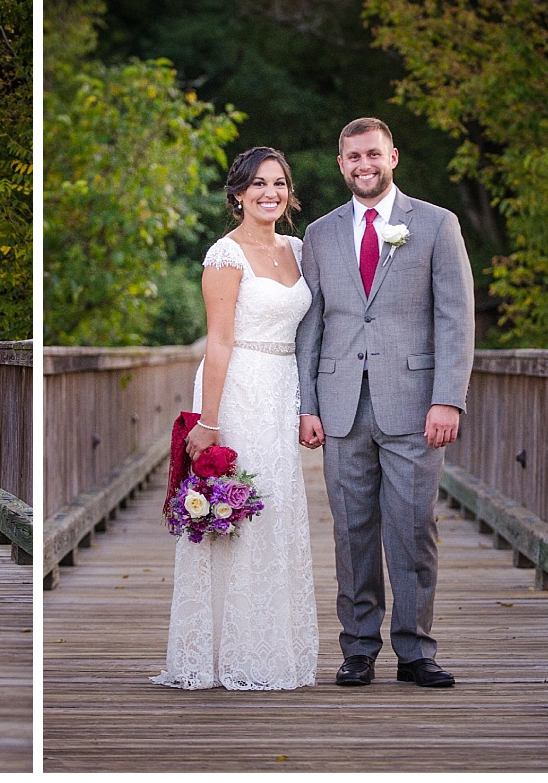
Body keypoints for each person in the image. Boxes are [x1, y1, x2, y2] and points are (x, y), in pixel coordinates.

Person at [295, 117, 475, 688]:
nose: (363, 165)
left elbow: (455, 318)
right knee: (351, 531)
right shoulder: (320, 234)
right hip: (341, 404)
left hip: (416, 406)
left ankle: (416, 650)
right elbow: (311, 324)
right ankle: (359, 648)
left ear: (392, 156)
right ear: (340, 163)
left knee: (413, 527)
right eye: (352, 157)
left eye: (372, 154)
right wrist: (308, 403)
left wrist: (448, 399)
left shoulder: (437, 224)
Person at [151, 147, 319, 691]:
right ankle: (224, 655)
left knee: (278, 512)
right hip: (239, 387)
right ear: (238, 194)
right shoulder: (224, 256)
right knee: (238, 513)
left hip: (283, 387)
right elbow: (219, 341)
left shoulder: (298, 249)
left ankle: (271, 650)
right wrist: (210, 421)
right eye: (258, 185)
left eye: (278, 184)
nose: (269, 193)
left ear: (288, 193)